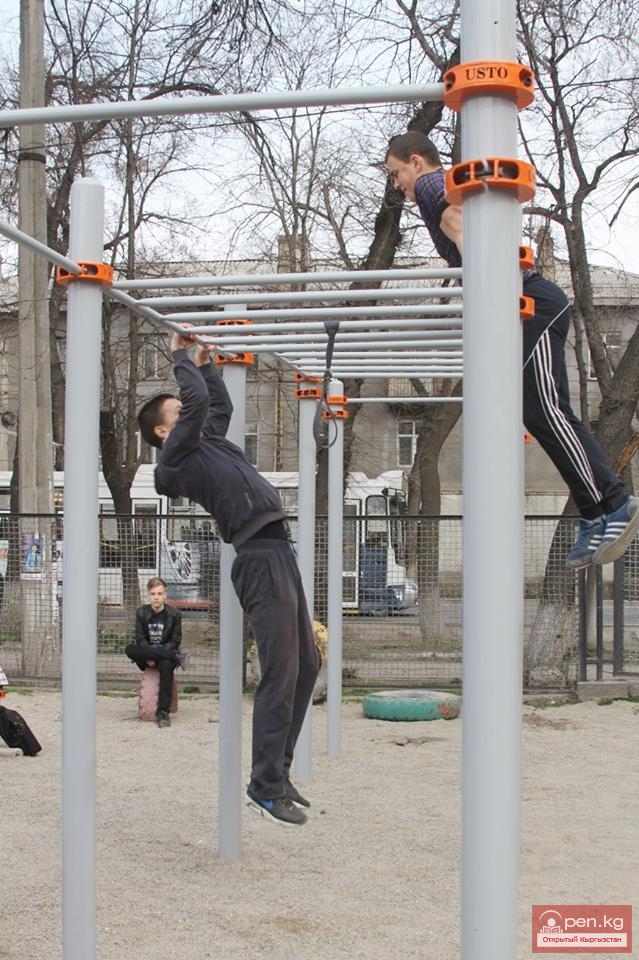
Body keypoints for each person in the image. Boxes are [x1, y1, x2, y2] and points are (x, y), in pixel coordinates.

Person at [385, 131, 639, 569]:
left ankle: (613, 504)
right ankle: (597, 513)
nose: (397, 184)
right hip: (524, 303)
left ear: (415, 161)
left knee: (549, 411)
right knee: (537, 413)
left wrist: (487, 289)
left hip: (531, 304)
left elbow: (457, 226)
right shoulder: (438, 187)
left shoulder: (430, 185)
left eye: (396, 173)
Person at [137, 331, 319, 826]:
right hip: (258, 555)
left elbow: (216, 405)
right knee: (281, 670)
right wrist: (178, 356)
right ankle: (263, 786)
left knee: (308, 662)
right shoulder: (175, 457)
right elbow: (195, 403)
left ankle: (276, 775)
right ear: (162, 432)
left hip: (278, 549)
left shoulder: (206, 443)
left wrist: (207, 362)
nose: (186, 410)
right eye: (175, 412)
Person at [125, 577, 186, 729]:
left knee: (166, 665)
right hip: (147, 655)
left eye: (159, 594)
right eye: (153, 594)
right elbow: (140, 638)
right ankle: (177, 657)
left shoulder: (174, 614)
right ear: (148, 595)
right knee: (129, 649)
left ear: (165, 595)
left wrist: (161, 653)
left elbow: (175, 641)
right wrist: (150, 655)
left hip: (165, 653)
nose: (156, 597)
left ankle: (163, 712)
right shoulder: (141, 613)